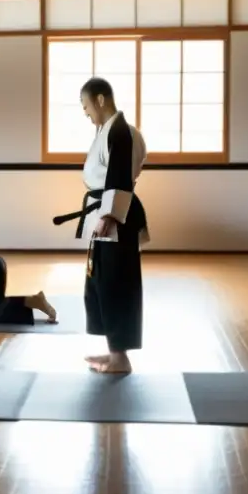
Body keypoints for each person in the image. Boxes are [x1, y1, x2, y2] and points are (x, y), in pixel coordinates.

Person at [78, 77, 149, 374]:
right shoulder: (107, 132)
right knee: (102, 284)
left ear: (101, 100)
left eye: (86, 105)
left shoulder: (121, 132)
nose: (85, 112)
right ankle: (114, 351)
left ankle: (121, 358)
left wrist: (108, 216)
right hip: (105, 213)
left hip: (114, 218)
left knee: (117, 285)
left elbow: (120, 177)